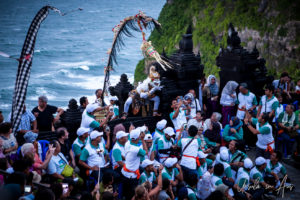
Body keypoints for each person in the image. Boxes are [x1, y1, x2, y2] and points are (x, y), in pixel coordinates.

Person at [121, 128, 147, 200]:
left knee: (126, 194)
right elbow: (146, 152)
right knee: (132, 196)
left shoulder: (127, 143)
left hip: (125, 173)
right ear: (138, 137)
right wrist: (142, 140)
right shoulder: (136, 149)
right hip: (131, 177)